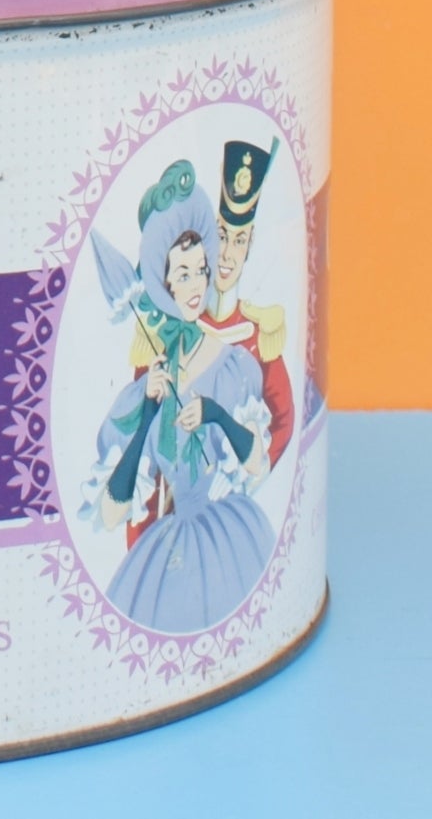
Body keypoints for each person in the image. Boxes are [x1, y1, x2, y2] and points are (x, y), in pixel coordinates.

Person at [81, 161, 275, 635]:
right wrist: (147, 416)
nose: (195, 286)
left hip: (231, 534)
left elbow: (258, 465)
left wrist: (217, 415)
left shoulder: (233, 366)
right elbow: (110, 513)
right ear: (161, 283)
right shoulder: (145, 388)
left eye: (201, 271)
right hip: (172, 547)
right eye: (182, 274)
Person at [203, 140, 295, 467]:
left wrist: (249, 477)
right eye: (221, 236)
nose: (227, 254)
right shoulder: (178, 327)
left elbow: (283, 420)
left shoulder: (258, 336)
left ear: (250, 244)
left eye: (239, 240)